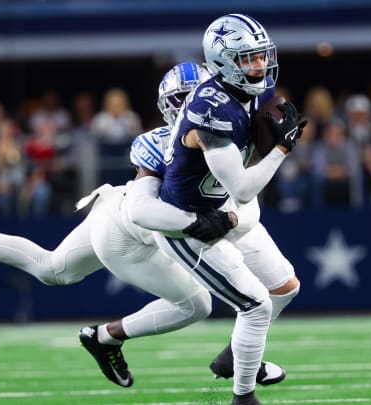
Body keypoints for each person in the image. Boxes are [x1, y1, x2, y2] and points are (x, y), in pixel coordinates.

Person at [0, 62, 284, 390]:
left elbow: (239, 203)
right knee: (201, 302)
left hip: (124, 215)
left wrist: (227, 217)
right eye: (185, 100)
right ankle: (109, 337)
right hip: (132, 229)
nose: (195, 107)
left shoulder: (215, 134)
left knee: (50, 268)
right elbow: (154, 213)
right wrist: (212, 220)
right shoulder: (165, 142)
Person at [135, 14, 305, 405]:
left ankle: (235, 353)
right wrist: (281, 150)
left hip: (219, 208)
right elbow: (244, 190)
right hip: (190, 227)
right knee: (256, 305)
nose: (259, 65)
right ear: (223, 60)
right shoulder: (211, 110)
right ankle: (243, 398)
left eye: (261, 56)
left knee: (284, 288)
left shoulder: (245, 91)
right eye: (248, 58)